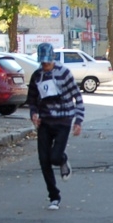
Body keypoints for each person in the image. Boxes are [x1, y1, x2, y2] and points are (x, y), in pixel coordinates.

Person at [27, 43, 85, 210]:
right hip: (45, 122)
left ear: (52, 59)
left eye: (48, 62)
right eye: (42, 62)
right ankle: (54, 196)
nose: (45, 65)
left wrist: (78, 121)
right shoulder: (37, 76)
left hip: (63, 120)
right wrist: (34, 114)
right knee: (44, 160)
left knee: (55, 157)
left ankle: (63, 160)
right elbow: (32, 100)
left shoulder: (64, 73)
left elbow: (77, 97)